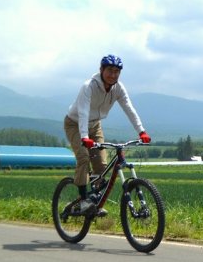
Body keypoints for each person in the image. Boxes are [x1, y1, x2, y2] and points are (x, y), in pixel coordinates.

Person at [64, 54, 151, 215]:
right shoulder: (88, 86)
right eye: (110, 70)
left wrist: (142, 131)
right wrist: (84, 136)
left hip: (95, 124)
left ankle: (95, 202)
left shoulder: (118, 88)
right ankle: (83, 201)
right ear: (101, 70)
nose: (113, 75)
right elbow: (83, 112)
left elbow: (129, 109)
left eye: (117, 71)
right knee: (84, 158)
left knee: (101, 166)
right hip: (75, 124)